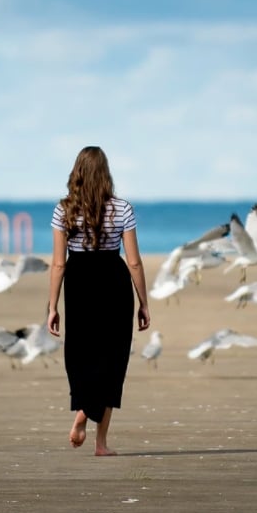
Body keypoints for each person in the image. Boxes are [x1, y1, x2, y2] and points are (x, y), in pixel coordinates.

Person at [47, 146, 151, 456]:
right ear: (106, 174)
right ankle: (100, 442)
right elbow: (133, 262)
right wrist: (144, 302)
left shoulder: (63, 210)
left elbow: (58, 264)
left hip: (79, 283)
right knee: (113, 359)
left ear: (76, 173)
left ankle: (83, 411)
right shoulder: (122, 208)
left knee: (81, 355)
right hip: (113, 281)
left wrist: (52, 307)